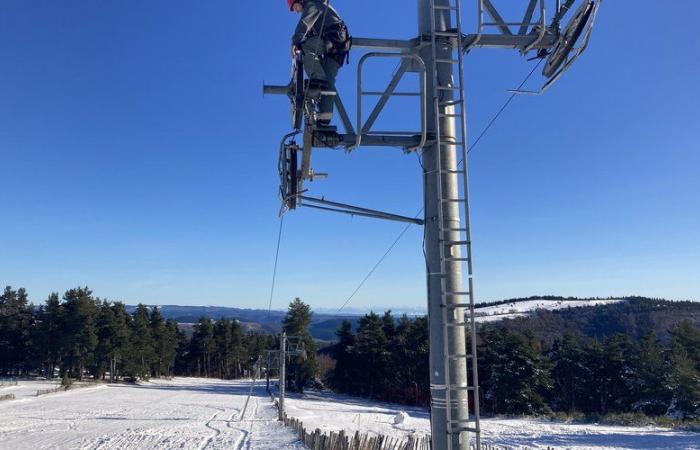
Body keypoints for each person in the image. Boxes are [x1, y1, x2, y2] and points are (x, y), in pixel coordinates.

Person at [288, 0, 350, 127]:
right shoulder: (319, 7)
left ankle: (317, 78)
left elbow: (305, 23)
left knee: (305, 47)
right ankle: (324, 118)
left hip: (331, 38)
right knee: (328, 81)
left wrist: (295, 42)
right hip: (340, 43)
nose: (296, 11)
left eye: (294, 7)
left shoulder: (312, 4)